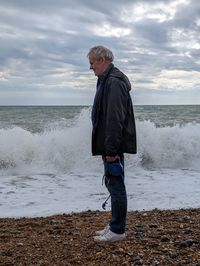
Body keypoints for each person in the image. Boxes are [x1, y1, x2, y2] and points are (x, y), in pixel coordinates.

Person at [87, 45, 137, 242]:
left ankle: (117, 230)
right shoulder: (106, 79)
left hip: (112, 146)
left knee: (116, 185)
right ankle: (115, 224)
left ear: (102, 60)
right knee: (112, 182)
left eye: (92, 63)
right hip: (110, 144)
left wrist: (111, 150)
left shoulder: (114, 82)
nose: (91, 67)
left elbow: (115, 119)